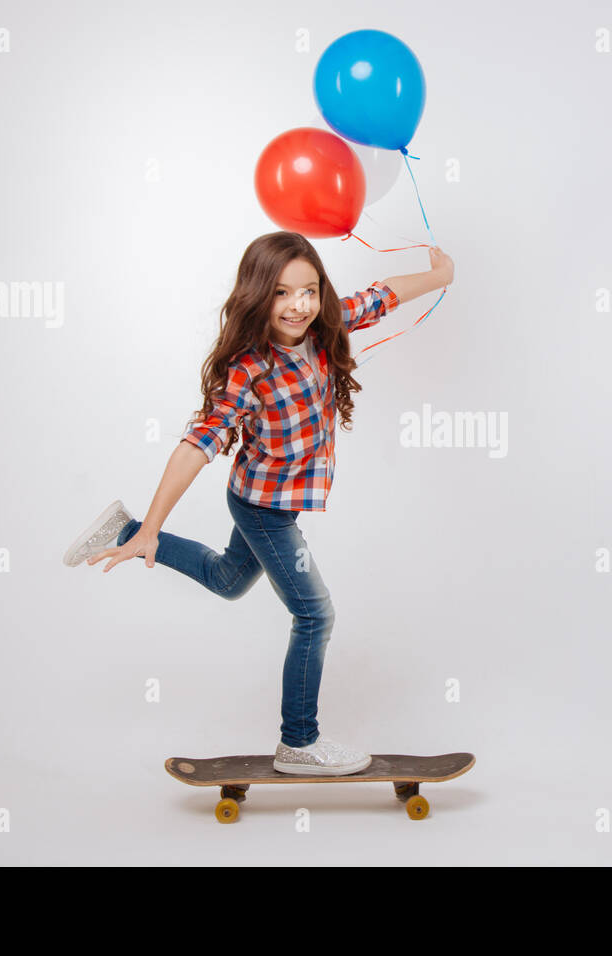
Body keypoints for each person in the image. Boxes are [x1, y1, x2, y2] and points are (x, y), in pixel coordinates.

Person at [62, 230, 454, 775]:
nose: (299, 305)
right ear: (257, 296)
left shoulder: (326, 328)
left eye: (309, 290)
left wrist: (439, 276)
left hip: (270, 500)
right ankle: (299, 742)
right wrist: (159, 523)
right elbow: (197, 446)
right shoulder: (250, 368)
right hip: (262, 509)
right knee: (315, 615)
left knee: (228, 580)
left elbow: (381, 294)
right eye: (281, 293)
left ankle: (124, 532)